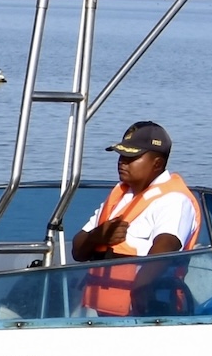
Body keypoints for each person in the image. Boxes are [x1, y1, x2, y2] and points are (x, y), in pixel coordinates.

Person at [70, 121, 204, 317]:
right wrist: (97, 237)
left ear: (157, 163)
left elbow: (165, 250)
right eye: (122, 156)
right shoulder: (120, 195)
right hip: (107, 313)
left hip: (151, 312)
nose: (122, 162)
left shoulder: (174, 200)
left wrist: (138, 291)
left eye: (131, 157)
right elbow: (78, 250)